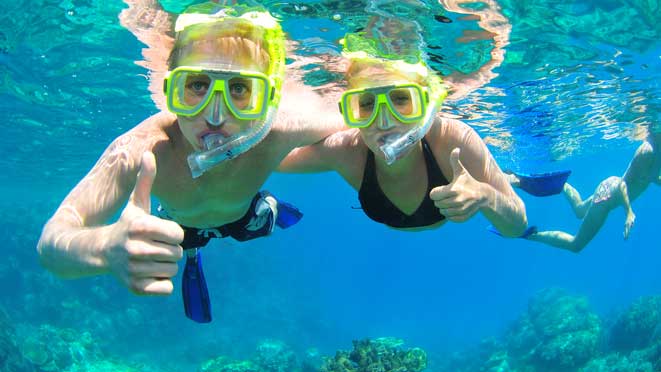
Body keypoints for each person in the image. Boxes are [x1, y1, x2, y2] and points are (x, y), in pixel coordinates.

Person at [36, 2, 342, 323]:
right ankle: (198, 247)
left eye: (239, 88)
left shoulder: (277, 132)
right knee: (180, 239)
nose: (215, 115)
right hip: (180, 228)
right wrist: (105, 247)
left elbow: (354, 125)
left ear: (265, 101)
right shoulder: (143, 148)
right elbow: (51, 242)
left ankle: (268, 206)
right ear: (171, 92)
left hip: (244, 218)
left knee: (262, 219)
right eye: (197, 85)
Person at [278, 31, 528, 236]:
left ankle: (507, 179)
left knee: (494, 183)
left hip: (469, 176)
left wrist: (486, 195)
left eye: (401, 100)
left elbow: (517, 227)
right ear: (349, 111)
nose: (385, 122)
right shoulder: (345, 149)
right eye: (365, 104)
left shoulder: (454, 142)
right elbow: (271, 158)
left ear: (426, 107)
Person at [522, 130, 661, 252]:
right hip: (608, 197)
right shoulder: (647, 152)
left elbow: (651, 177)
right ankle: (532, 236)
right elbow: (622, 184)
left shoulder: (657, 149)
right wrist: (629, 212)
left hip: (608, 188)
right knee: (576, 245)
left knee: (579, 210)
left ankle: (561, 184)